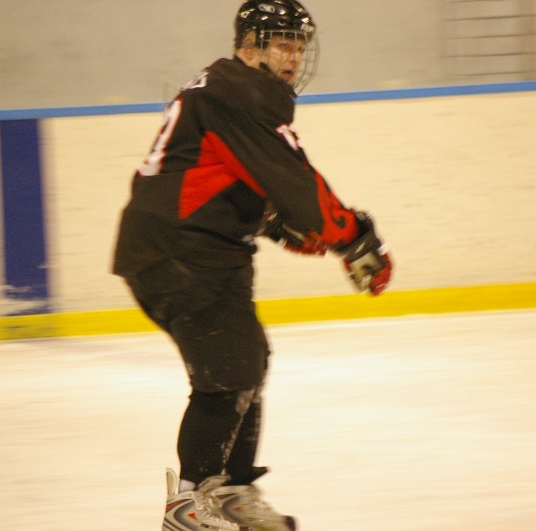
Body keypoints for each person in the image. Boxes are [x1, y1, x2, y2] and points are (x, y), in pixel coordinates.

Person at [112, 1, 393, 529]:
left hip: (194, 248)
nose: (294, 57)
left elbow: (222, 174)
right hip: (180, 251)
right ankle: (188, 505)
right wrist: (352, 238)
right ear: (249, 45)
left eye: (299, 47)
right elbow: (294, 182)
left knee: (247, 360)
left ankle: (230, 491)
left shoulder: (225, 89)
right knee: (229, 369)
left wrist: (275, 223)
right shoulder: (239, 92)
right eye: (283, 44)